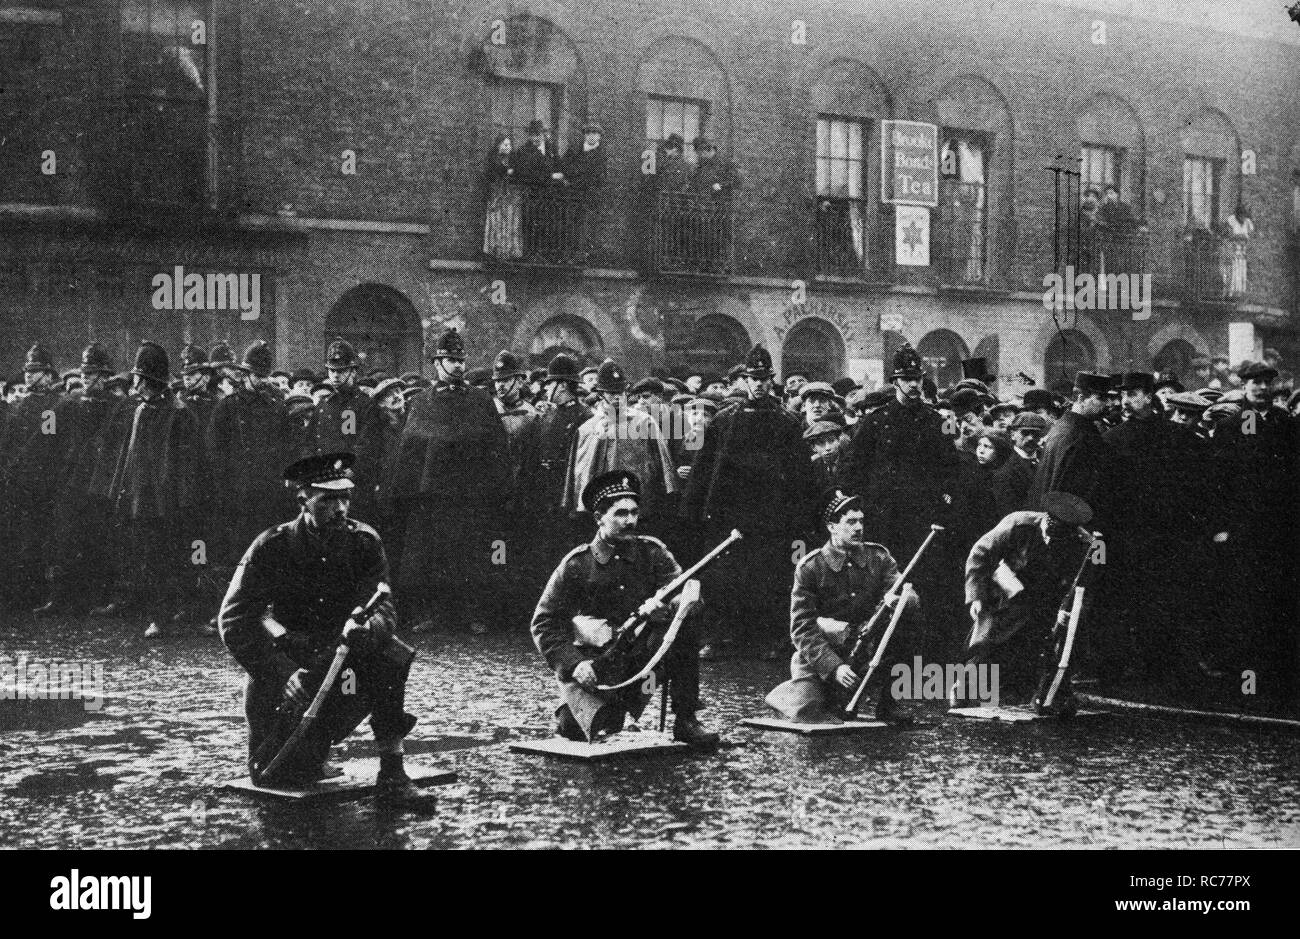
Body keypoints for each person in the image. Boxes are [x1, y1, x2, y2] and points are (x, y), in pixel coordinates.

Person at [217, 452, 425, 805]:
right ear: (303, 500)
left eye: (346, 497)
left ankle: (393, 770)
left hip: (344, 654)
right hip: (294, 665)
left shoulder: (364, 542)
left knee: (391, 655)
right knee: (275, 773)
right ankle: (311, 750)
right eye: (328, 499)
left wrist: (369, 628)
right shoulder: (271, 547)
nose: (341, 508)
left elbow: (384, 605)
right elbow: (234, 621)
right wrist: (284, 674)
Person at [530, 470, 720, 749]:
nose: (630, 521)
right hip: (600, 666)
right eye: (620, 513)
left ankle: (686, 719)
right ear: (599, 518)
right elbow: (544, 623)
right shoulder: (577, 564)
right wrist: (575, 664)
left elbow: (688, 599)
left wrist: (669, 607)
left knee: (684, 624)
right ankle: (602, 710)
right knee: (574, 729)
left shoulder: (653, 553)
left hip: (646, 657)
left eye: (633, 512)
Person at [682, 344, 816, 659]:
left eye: (763, 379)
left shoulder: (787, 422)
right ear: (745, 380)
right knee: (725, 575)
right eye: (752, 378)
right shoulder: (725, 420)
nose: (757, 384)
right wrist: (694, 509)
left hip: (772, 516)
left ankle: (771, 639)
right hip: (730, 514)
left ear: (771, 380)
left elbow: (799, 475)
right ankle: (722, 637)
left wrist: (799, 516)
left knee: (771, 577)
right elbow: (705, 468)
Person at [390, 327, 511, 633]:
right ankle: (434, 612)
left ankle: (473, 613)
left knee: (472, 554)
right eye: (450, 360)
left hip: (472, 495)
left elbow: (497, 446)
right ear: (437, 363)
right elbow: (409, 448)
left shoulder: (481, 401)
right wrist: (405, 492)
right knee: (432, 555)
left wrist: (498, 488)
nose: (458, 366)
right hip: (431, 496)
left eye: (461, 360)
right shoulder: (420, 402)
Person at [766, 489, 920, 723]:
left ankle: (889, 702)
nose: (858, 527)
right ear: (832, 526)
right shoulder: (810, 567)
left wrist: (900, 600)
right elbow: (801, 629)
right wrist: (834, 667)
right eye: (850, 522)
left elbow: (905, 591)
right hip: (828, 653)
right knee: (811, 711)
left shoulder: (879, 558)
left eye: (861, 521)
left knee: (906, 622)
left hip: (870, 647)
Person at [86, 341, 202, 638]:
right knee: (147, 561)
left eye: (138, 376)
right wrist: (121, 492)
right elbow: (130, 455)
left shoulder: (179, 413)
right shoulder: (139, 410)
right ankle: (159, 614)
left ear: (148, 380)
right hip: (141, 501)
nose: (134, 382)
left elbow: (188, 465)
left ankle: (171, 615)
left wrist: (185, 502)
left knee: (169, 559)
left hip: (168, 505)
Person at [963, 491, 1095, 709]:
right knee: (989, 636)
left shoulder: (1083, 543)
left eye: (1063, 533)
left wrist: (1068, 610)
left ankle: (1051, 695)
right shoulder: (1017, 523)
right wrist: (976, 596)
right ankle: (965, 688)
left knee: (1060, 641)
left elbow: (1083, 582)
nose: (1054, 536)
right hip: (1007, 587)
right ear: (1046, 517)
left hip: (1048, 595)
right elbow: (980, 554)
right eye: (1052, 527)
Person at [207, 341, 299, 604]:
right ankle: (230, 607)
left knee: (267, 550)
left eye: (264, 376)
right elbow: (215, 452)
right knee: (235, 553)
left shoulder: (276, 406)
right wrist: (225, 486)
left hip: (267, 493)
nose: (261, 381)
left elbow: (287, 447)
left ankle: (265, 604)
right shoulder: (227, 407)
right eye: (257, 376)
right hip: (236, 494)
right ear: (244, 374)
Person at [35, 343, 119, 616]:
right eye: (84, 371)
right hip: (70, 483)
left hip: (101, 485)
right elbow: (47, 439)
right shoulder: (67, 403)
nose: (85, 376)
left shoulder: (118, 407)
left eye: (92, 372)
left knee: (98, 542)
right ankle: (60, 598)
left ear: (104, 376)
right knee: (64, 541)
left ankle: (98, 598)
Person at [563, 358, 678, 528]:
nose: (617, 397)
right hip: (602, 508)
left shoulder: (644, 422)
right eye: (611, 393)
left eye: (620, 392)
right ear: (601, 394)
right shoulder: (588, 428)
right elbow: (580, 473)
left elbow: (664, 466)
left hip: (640, 503)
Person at [0, 343, 66, 606]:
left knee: (42, 539)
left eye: (36, 371)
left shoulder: (53, 406)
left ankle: (40, 593)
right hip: (18, 483)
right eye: (27, 371)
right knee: (19, 538)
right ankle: (19, 594)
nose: (29, 376)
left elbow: (47, 442)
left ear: (49, 375)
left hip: (44, 483)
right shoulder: (18, 406)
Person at [303, 338, 382, 523]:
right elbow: (310, 442)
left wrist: (349, 470)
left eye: (341, 371)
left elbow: (367, 445)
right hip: (323, 483)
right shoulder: (323, 404)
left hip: (352, 487)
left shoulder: (364, 405)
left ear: (353, 371)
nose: (335, 376)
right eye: (332, 371)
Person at [1026, 371, 1112, 511]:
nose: (1108, 403)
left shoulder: (1063, 426)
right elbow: (1069, 492)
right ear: (1081, 398)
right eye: (1101, 398)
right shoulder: (1078, 436)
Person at [990, 412, 1047, 517]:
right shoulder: (1005, 471)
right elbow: (1010, 515)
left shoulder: (1046, 459)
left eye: (1035, 434)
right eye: (1025, 433)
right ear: (1012, 435)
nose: (1030, 438)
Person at [482, 134, 523, 260]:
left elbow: (518, 173)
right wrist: (505, 171)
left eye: (509, 145)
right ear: (499, 145)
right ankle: (496, 251)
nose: (508, 147)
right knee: (497, 223)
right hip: (497, 196)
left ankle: (509, 252)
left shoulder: (513, 160)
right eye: (505, 145)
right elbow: (491, 174)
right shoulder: (493, 159)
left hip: (510, 196)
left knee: (510, 222)